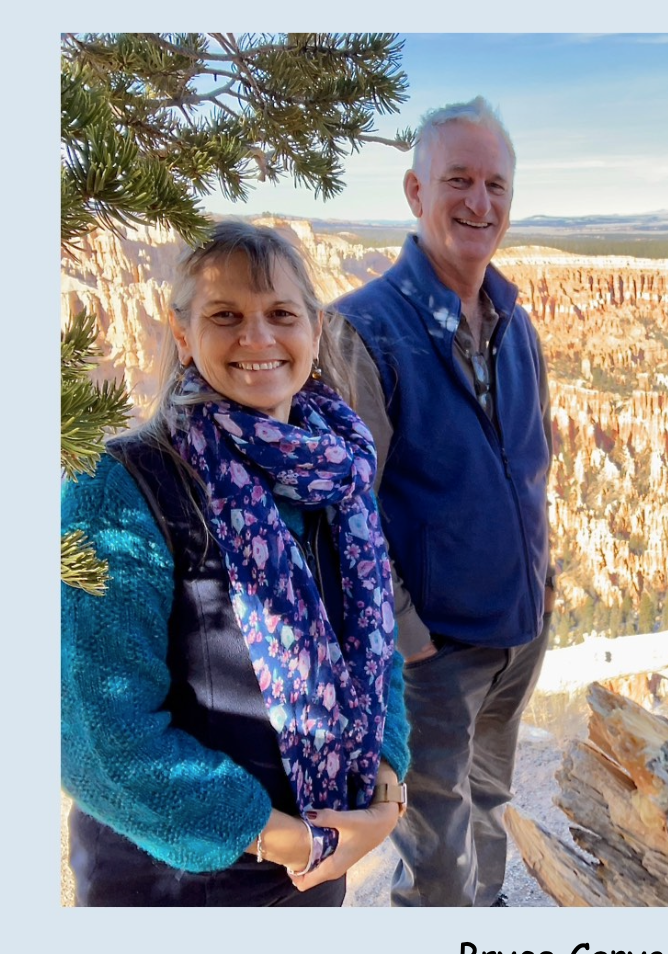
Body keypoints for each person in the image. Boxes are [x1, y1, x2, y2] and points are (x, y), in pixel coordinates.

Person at [61, 221, 411, 906]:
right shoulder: (122, 486)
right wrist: (286, 840)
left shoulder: (336, 474)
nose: (257, 338)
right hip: (175, 892)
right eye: (225, 316)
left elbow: (375, 648)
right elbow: (98, 736)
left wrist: (386, 789)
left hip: (316, 871)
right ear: (183, 333)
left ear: (314, 329)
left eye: (281, 314)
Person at [333, 97, 553, 907]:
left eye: (496, 185)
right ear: (415, 190)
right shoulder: (364, 330)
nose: (479, 202)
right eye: (458, 179)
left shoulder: (512, 321)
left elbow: (532, 465)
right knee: (434, 856)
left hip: (517, 633)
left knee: (489, 803)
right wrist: (411, 641)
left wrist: (544, 583)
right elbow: (345, 515)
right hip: (436, 655)